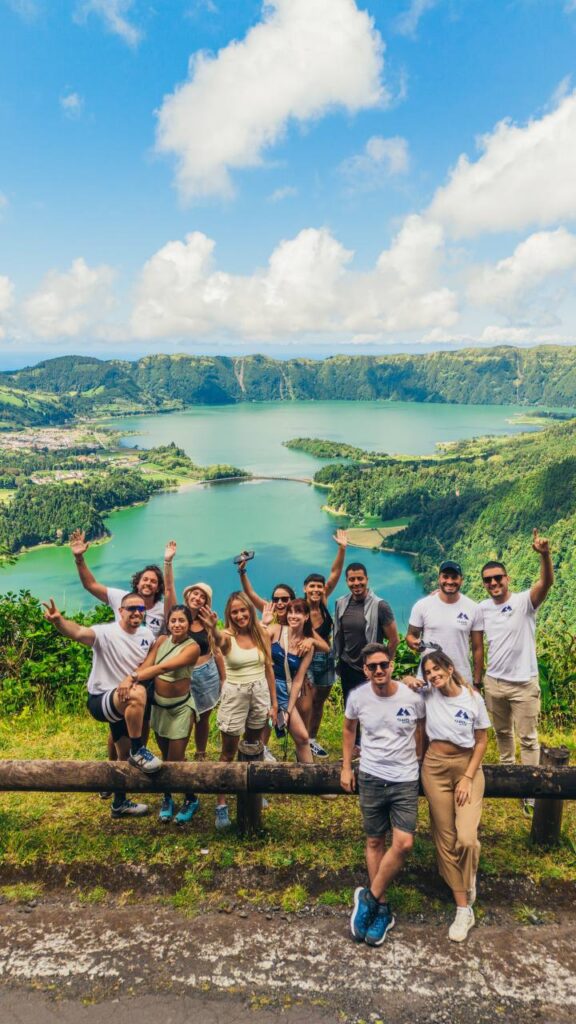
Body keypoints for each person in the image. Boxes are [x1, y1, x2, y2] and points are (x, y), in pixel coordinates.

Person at [42, 592, 161, 818]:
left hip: (122, 703)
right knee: (138, 693)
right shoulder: (106, 632)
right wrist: (59, 622)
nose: (137, 612)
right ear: (120, 611)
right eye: (131, 608)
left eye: (141, 609)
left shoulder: (146, 634)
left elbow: (149, 662)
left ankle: (119, 802)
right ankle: (139, 750)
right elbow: (77, 632)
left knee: (121, 756)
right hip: (102, 699)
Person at [341, 643, 425, 946]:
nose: (378, 670)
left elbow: (421, 728)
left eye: (383, 665)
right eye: (372, 666)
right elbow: (349, 729)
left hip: (404, 778)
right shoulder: (357, 697)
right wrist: (346, 767)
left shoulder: (411, 696)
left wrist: (419, 760)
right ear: (365, 670)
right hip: (372, 776)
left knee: (403, 843)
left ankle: (369, 898)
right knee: (375, 840)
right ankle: (383, 909)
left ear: (391, 665)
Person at [405, 650, 490, 942]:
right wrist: (408, 679)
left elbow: (482, 740)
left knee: (466, 837)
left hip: (466, 767)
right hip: (435, 768)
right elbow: (402, 689)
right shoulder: (427, 695)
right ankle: (463, 906)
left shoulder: (472, 698)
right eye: (427, 672)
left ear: (450, 668)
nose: (432, 676)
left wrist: (467, 776)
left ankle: (468, 875)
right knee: (445, 838)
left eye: (437, 670)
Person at [237, 532, 348, 755]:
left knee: (313, 705)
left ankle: (307, 742)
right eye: (277, 599)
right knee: (276, 709)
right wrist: (242, 571)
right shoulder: (274, 614)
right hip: (284, 668)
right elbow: (250, 594)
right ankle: (266, 747)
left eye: (285, 600)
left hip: (312, 663)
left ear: (293, 601)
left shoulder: (305, 609)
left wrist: (342, 549)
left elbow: (334, 576)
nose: (280, 603)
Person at [479, 529, 554, 813]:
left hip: (524, 682)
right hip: (494, 682)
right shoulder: (482, 609)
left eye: (499, 577)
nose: (494, 582)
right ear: (484, 584)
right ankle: (507, 778)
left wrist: (545, 556)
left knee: (528, 737)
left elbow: (546, 583)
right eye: (489, 580)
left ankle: (529, 789)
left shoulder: (524, 602)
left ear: (507, 579)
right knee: (501, 733)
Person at [203, 592, 278, 830]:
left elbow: (269, 670)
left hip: (259, 693)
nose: (240, 615)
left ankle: (251, 791)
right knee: (228, 752)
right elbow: (219, 641)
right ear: (229, 614)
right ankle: (222, 804)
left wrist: (274, 704)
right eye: (235, 612)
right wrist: (213, 628)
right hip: (235, 694)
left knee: (253, 747)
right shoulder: (227, 637)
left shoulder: (262, 633)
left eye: (243, 610)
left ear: (250, 610)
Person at [130, 604, 201, 825]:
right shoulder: (161, 641)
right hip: (159, 707)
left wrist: (132, 677)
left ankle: (191, 798)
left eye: (182, 620)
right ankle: (168, 797)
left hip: (181, 708)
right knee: (162, 758)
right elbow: (148, 664)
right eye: (173, 621)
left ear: (189, 624)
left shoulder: (193, 647)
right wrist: (135, 677)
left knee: (176, 759)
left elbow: (162, 668)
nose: (177, 624)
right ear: (167, 623)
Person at [163, 549, 225, 763]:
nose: (197, 597)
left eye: (202, 596)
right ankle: (179, 755)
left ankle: (200, 752)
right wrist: (168, 561)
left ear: (206, 602)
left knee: (204, 716)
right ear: (187, 595)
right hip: (182, 674)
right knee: (185, 717)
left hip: (207, 672)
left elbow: (216, 650)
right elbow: (169, 588)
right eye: (195, 593)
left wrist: (224, 678)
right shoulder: (177, 616)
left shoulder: (207, 623)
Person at [334, 563, 398, 751]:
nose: (356, 583)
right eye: (352, 579)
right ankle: (355, 748)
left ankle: (375, 747)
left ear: (367, 579)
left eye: (360, 578)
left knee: (374, 709)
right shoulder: (341, 603)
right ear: (346, 581)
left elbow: (393, 640)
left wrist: (385, 667)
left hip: (371, 669)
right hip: (348, 666)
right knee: (352, 710)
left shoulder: (380, 606)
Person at [69, 529, 171, 638]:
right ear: (137, 583)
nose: (148, 583)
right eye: (145, 579)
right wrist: (79, 558)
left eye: (153, 581)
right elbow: (91, 585)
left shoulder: (162, 610)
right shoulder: (121, 598)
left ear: (158, 588)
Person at [406, 559, 484, 687]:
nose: (450, 581)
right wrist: (414, 643)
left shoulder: (473, 608)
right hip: (429, 676)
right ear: (439, 579)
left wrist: (477, 683)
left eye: (454, 577)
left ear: (461, 580)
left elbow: (478, 648)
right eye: (445, 577)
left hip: (461, 678)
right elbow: (410, 636)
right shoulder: (422, 606)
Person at [265, 598, 317, 766]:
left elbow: (298, 680)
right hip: (264, 686)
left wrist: (287, 711)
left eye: (298, 612)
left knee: (302, 737)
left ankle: (312, 781)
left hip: (284, 692)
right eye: (291, 612)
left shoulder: (307, 645)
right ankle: (251, 782)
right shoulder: (275, 630)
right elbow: (256, 643)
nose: (293, 616)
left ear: (307, 616)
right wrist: (263, 623)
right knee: (257, 736)